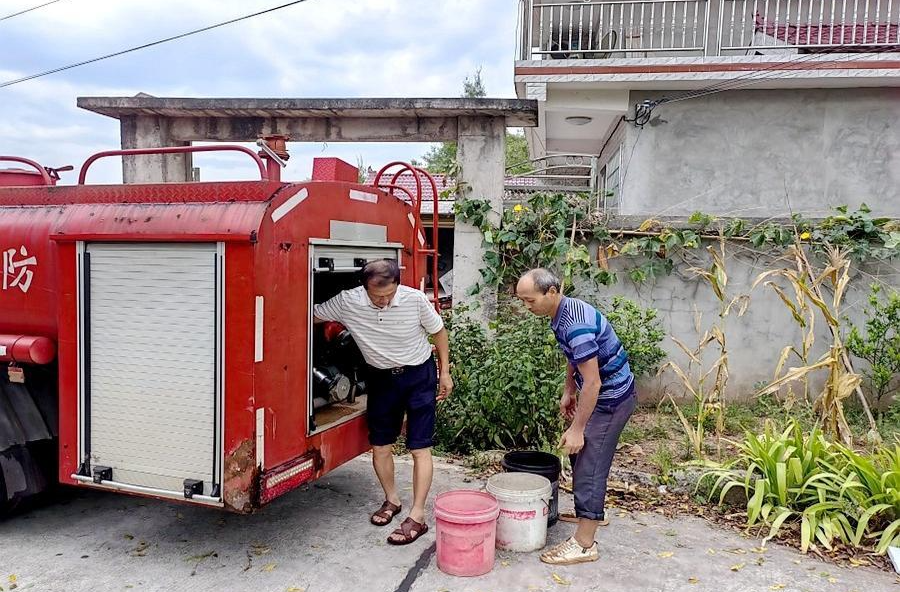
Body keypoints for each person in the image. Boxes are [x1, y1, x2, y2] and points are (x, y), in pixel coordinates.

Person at [313, 259, 453, 546]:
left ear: (397, 285)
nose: (384, 301)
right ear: (365, 288)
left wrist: (446, 372)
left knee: (419, 447)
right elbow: (309, 314)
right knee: (380, 446)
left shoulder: (414, 300)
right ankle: (392, 500)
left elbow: (439, 332)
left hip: (418, 375)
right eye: (377, 296)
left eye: (389, 294)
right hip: (380, 378)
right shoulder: (347, 302)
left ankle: (418, 515)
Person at [516, 268, 636, 565]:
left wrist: (578, 426)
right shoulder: (561, 313)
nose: (526, 307)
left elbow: (593, 382)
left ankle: (584, 543)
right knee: (578, 454)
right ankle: (589, 514)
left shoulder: (575, 325)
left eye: (530, 301)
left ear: (552, 292)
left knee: (589, 463)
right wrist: (569, 388)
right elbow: (575, 358)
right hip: (599, 393)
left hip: (610, 400)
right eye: (523, 301)